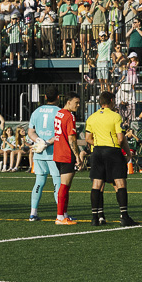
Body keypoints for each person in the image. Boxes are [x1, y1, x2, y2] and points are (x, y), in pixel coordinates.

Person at [86, 90, 138, 227]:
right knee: (120, 182)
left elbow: (87, 138)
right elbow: (120, 139)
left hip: (97, 151)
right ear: (111, 101)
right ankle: (124, 217)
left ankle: (95, 218)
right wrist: (127, 153)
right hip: (112, 150)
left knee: (97, 184)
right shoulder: (116, 116)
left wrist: (99, 144)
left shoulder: (92, 117)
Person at [26, 89, 61, 222]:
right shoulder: (59, 112)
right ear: (58, 97)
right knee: (57, 182)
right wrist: (47, 142)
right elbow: (59, 134)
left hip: (39, 152)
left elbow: (30, 132)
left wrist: (39, 141)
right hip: (54, 152)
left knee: (39, 182)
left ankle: (33, 213)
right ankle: (61, 214)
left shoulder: (37, 111)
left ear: (45, 97)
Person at [51, 92, 82, 224]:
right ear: (68, 102)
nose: (78, 105)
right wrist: (77, 156)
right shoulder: (69, 116)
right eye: (76, 103)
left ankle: (64, 214)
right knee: (64, 186)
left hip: (58, 153)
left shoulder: (59, 113)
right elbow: (71, 138)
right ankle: (60, 217)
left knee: (65, 186)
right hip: (66, 154)